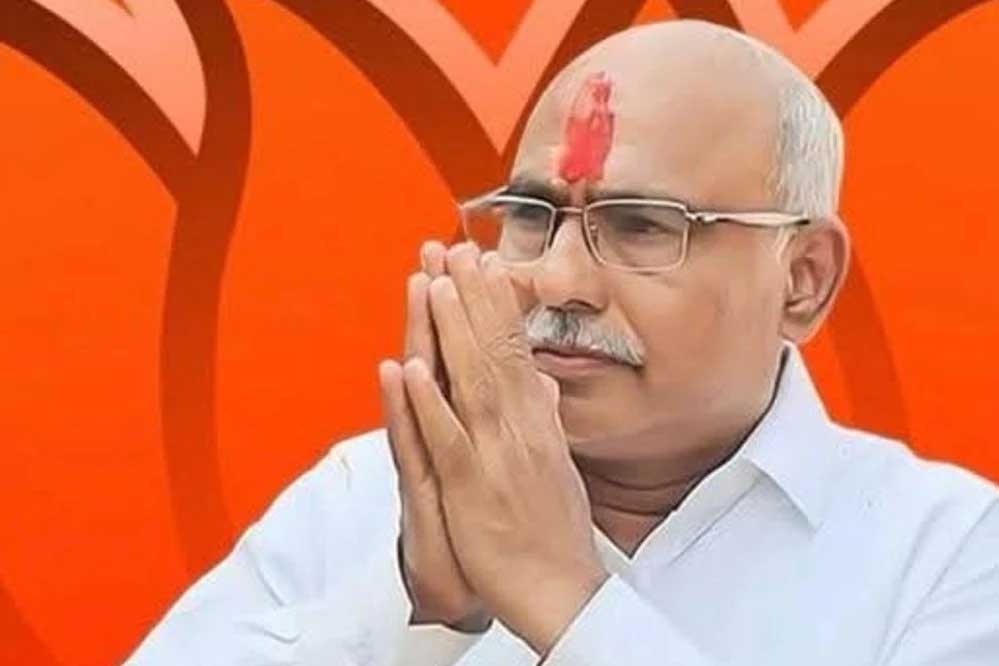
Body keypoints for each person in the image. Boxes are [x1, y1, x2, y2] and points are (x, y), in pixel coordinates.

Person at [126, 19, 999, 665]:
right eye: (530, 216)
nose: (556, 280)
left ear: (802, 278)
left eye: (642, 226)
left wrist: (562, 598)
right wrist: (421, 609)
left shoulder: (950, 553)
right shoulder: (365, 497)